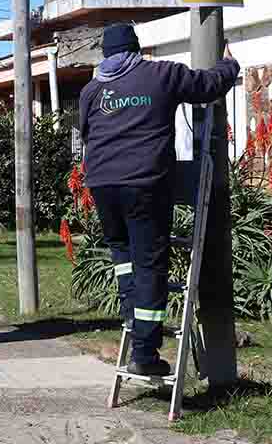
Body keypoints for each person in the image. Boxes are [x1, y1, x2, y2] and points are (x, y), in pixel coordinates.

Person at [78, 22, 240, 377]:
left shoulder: (91, 90)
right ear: (136, 48)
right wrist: (229, 64)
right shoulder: (160, 74)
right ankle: (145, 353)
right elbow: (206, 85)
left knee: (123, 257)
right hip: (145, 184)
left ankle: (132, 322)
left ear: (105, 55)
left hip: (103, 185)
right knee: (150, 264)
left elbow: (87, 133)